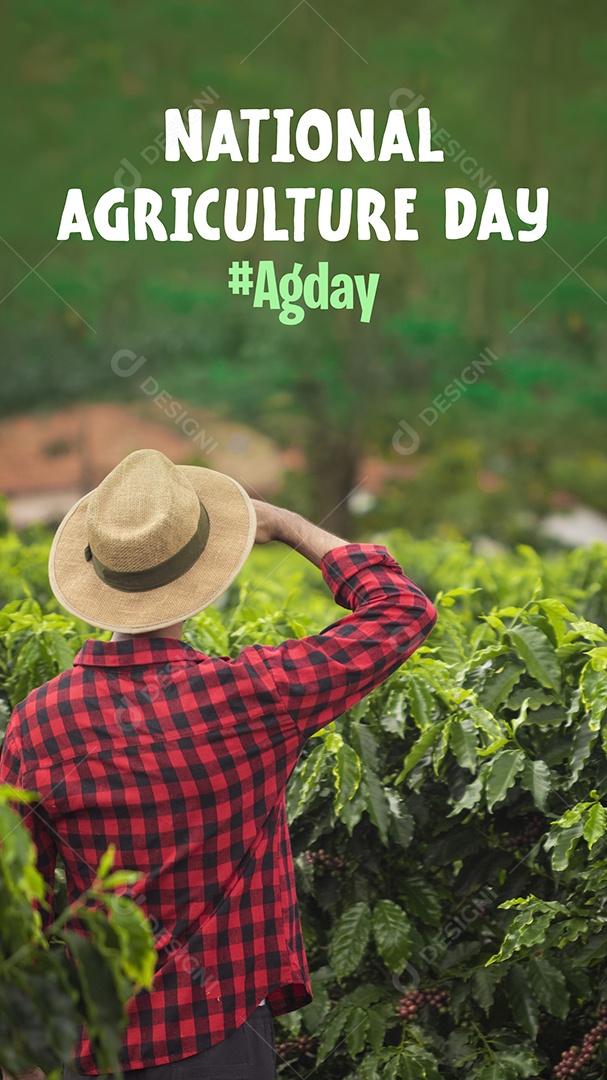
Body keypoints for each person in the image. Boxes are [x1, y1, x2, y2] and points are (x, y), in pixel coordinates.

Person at [0, 448, 437, 1080]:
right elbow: (402, 610)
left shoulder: (38, 719)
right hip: (219, 1033)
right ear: (202, 575)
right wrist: (289, 525)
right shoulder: (254, 696)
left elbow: (23, 897)